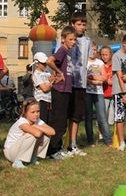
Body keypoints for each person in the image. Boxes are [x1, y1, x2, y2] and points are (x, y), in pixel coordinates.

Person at [60, 12, 91, 155]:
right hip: (67, 82)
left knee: (76, 115)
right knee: (64, 114)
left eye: (84, 24)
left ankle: (73, 144)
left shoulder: (87, 41)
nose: (81, 27)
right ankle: (60, 144)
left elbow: (88, 61)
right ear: (72, 25)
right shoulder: (65, 40)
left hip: (81, 82)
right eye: (79, 24)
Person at [46, 26, 77, 159]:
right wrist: (59, 72)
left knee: (62, 121)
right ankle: (52, 151)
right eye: (70, 39)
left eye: (74, 39)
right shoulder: (62, 51)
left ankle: (57, 148)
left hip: (66, 90)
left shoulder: (68, 53)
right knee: (58, 122)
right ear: (63, 39)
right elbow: (49, 61)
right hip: (60, 90)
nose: (73, 42)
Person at [4, 98, 53, 168]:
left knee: (47, 136)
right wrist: (38, 128)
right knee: (32, 135)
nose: (36, 114)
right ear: (25, 113)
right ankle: (18, 161)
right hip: (10, 152)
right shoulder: (22, 122)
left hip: (19, 149)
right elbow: (37, 134)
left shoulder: (37, 121)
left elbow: (52, 132)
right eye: (33, 112)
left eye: (38, 111)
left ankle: (33, 157)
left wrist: (35, 125)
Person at [85, 43, 112, 146]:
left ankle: (108, 140)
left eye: (95, 50)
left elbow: (104, 77)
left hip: (98, 92)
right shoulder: (85, 62)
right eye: (91, 49)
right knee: (88, 117)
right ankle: (90, 140)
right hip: (87, 92)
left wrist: (95, 79)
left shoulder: (99, 62)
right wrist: (93, 81)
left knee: (102, 117)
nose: (93, 51)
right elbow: (84, 78)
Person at [32, 52, 54, 132]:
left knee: (50, 122)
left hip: (50, 101)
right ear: (37, 63)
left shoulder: (47, 73)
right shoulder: (36, 74)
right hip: (41, 101)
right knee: (42, 122)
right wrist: (51, 83)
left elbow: (52, 81)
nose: (45, 65)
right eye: (43, 63)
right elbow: (44, 89)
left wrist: (50, 83)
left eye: (46, 63)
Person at [100, 46, 115, 127]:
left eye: (106, 55)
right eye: (102, 55)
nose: (104, 57)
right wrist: (106, 81)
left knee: (111, 118)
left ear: (110, 55)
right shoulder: (99, 65)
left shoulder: (114, 66)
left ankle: (110, 134)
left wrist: (113, 83)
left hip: (113, 94)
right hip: (103, 94)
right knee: (102, 114)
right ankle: (101, 135)